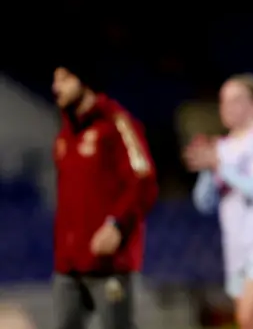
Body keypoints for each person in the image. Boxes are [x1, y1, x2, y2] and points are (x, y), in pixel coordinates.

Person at [52, 57, 158, 329]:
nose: (56, 87)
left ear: (84, 81)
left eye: (64, 79)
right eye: (55, 80)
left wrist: (116, 224)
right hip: (68, 265)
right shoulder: (64, 137)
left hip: (110, 265)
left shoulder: (117, 124)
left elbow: (143, 182)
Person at [185, 73, 253, 329]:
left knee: (249, 319)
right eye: (223, 100)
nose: (226, 107)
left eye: (235, 99)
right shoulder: (222, 146)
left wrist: (219, 165)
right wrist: (208, 169)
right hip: (236, 251)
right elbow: (204, 202)